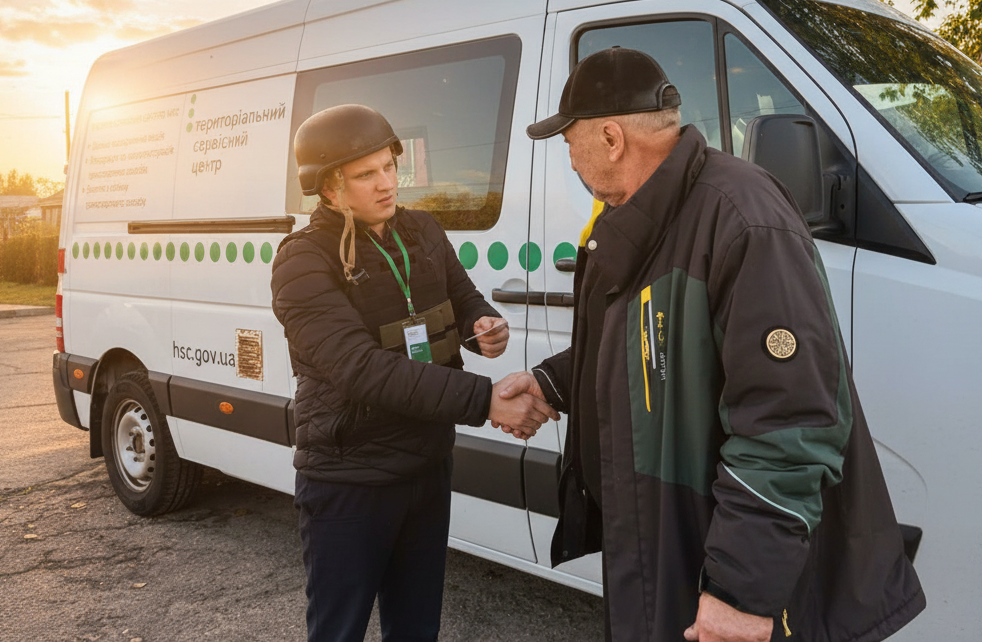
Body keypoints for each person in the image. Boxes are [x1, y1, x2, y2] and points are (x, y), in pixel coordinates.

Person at [498, 49, 925, 642]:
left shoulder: (740, 217)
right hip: (667, 548)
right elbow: (654, 351)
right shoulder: (639, 218)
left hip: (718, 569)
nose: (568, 157)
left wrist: (739, 592)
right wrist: (551, 382)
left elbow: (788, 423)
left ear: (610, 136)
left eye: (569, 140)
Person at [271, 103, 558, 642]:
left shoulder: (423, 230)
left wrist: (484, 325)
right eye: (366, 174)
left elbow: (463, 295)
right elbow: (360, 369)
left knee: (417, 627)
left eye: (389, 167)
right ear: (328, 187)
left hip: (427, 464)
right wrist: (486, 400)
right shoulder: (302, 261)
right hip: (350, 479)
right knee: (339, 630)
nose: (386, 184)